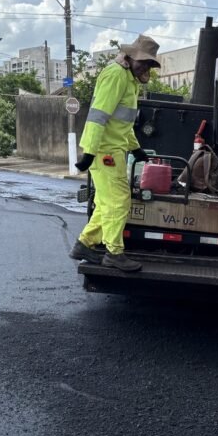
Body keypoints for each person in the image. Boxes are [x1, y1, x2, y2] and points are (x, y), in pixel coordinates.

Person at [68, 35, 161, 272]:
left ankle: (84, 244)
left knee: (105, 204)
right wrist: (88, 153)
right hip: (104, 152)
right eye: (142, 62)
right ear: (130, 56)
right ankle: (114, 253)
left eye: (149, 64)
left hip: (114, 151)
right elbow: (98, 116)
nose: (145, 67)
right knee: (118, 202)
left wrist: (136, 149)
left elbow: (122, 124)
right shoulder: (116, 75)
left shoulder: (129, 80)